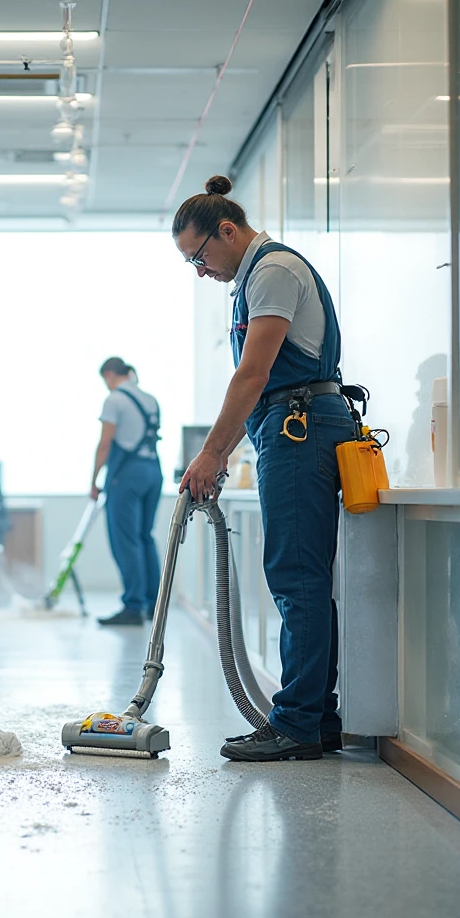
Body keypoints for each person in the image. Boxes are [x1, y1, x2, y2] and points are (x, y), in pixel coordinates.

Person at [173, 175, 356, 762]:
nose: (200, 271)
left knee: (295, 579)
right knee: (299, 578)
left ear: (228, 231)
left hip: (300, 430)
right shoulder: (250, 279)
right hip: (290, 429)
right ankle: (317, 717)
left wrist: (212, 452)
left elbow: (253, 376)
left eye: (199, 256)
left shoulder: (273, 270)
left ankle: (297, 723)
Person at [90, 357, 163, 627]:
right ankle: (154, 604)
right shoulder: (150, 399)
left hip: (127, 476)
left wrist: (94, 481)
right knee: (145, 537)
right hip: (153, 472)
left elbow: (105, 444)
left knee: (126, 541)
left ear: (109, 375)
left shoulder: (114, 400)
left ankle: (133, 606)